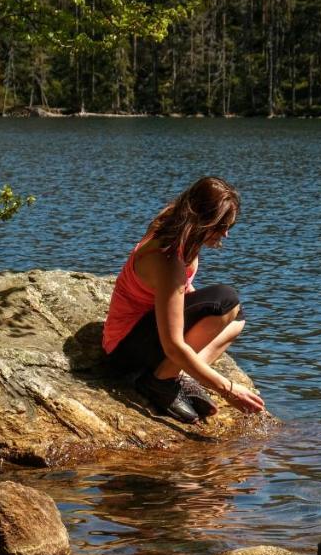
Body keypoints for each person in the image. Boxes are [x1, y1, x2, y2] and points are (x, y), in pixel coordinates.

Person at [102, 176, 266, 423]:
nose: (227, 234)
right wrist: (228, 388)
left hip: (140, 336)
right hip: (124, 351)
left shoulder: (176, 226)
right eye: (221, 227)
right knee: (225, 300)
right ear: (202, 221)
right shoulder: (166, 260)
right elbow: (173, 345)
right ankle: (158, 382)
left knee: (235, 316)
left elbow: (184, 291)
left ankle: (179, 375)